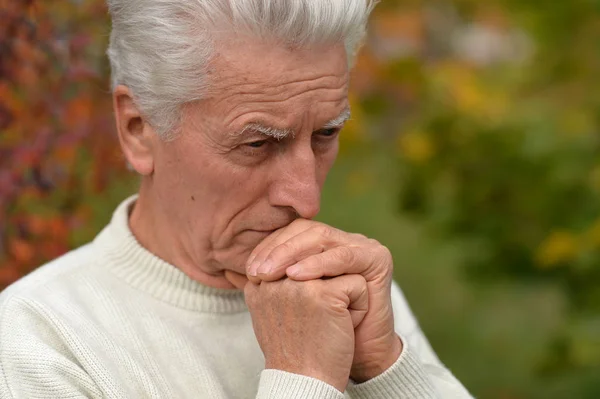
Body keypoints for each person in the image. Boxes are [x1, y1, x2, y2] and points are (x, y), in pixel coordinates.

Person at [0, 1, 472, 397]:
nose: (305, 198)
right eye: (257, 144)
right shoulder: (38, 342)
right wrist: (304, 379)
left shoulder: (350, 289)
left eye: (326, 133)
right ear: (139, 130)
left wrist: (387, 371)